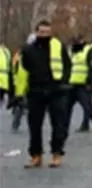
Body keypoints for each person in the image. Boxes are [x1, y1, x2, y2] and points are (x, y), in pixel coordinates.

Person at [18, 20, 71, 168]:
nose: (44, 35)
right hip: (35, 90)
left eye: (47, 32)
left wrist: (64, 83)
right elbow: (22, 72)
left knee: (58, 124)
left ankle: (56, 153)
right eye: (41, 32)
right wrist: (19, 93)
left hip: (56, 90)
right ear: (36, 32)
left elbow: (67, 65)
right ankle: (36, 155)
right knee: (34, 125)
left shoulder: (58, 46)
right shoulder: (28, 49)